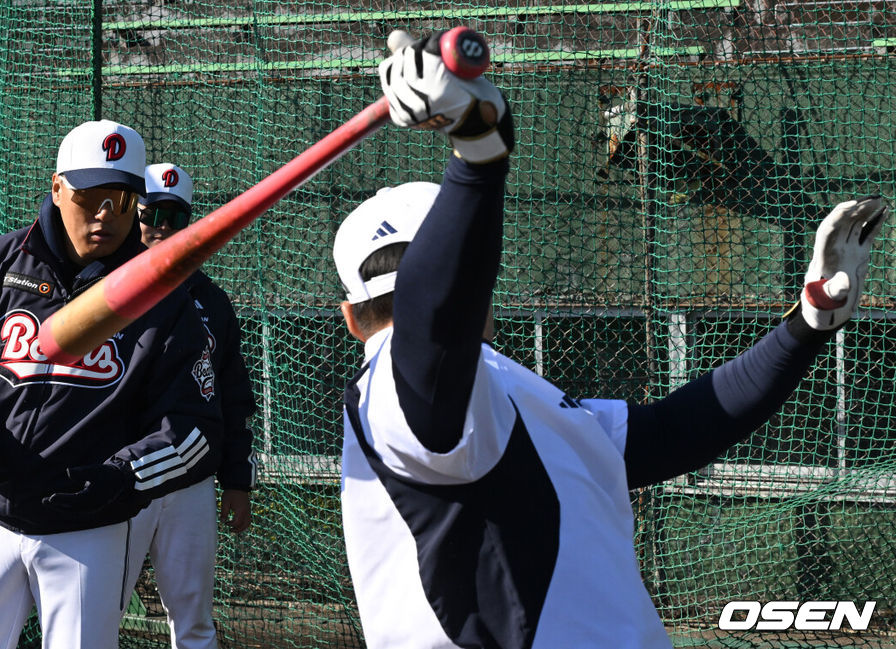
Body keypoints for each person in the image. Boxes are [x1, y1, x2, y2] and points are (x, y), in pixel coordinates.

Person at [332, 32, 889, 648]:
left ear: (349, 315)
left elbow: (671, 433)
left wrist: (805, 327)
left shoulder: (504, 393)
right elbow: (432, 325)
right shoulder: (393, 396)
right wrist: (478, 155)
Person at [0, 120, 226, 649]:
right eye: (89, 196)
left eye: (121, 200)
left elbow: (193, 430)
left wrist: (119, 479)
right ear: (57, 188)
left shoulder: (164, 301)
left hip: (90, 530)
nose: (104, 214)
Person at [123, 162, 257, 649]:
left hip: (191, 483)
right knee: (98, 609)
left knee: (194, 620)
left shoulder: (213, 302)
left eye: (174, 217)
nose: (159, 227)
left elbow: (234, 397)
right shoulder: (101, 288)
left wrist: (237, 482)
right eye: (149, 213)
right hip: (124, 475)